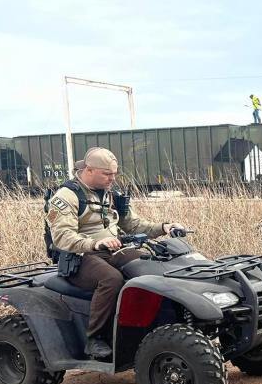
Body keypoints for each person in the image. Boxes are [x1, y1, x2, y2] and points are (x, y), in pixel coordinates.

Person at [45, 147, 185, 359]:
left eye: (114, 174)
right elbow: (63, 237)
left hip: (112, 249)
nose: (112, 178)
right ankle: (95, 338)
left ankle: (155, 324)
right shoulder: (67, 196)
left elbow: (134, 224)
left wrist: (163, 227)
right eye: (107, 174)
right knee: (111, 279)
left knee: (150, 265)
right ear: (89, 170)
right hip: (79, 256)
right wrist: (95, 243)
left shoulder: (111, 194)